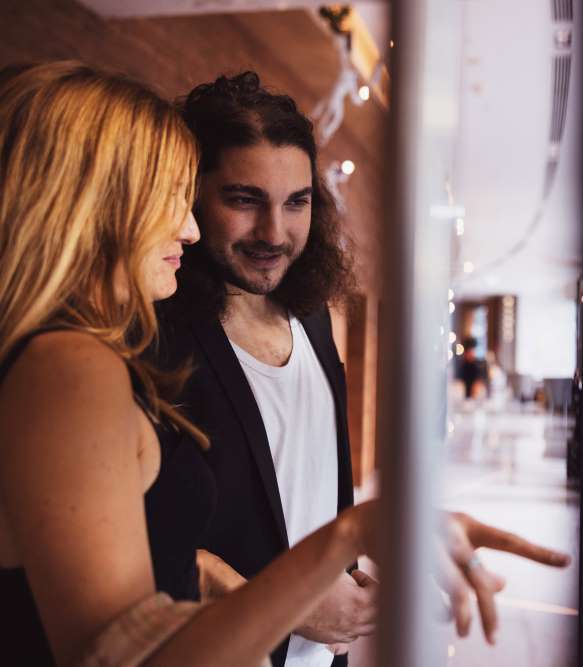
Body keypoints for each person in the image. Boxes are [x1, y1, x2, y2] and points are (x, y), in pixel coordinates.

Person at [0, 61, 570, 666]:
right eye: (169, 197)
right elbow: (122, 653)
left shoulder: (75, 354)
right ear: (94, 203)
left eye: (296, 202)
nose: (187, 228)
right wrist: (344, 541)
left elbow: (140, 568)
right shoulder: (71, 363)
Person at [155, 71, 362, 667]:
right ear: (192, 196)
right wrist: (287, 604)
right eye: (245, 200)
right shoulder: (150, 333)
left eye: (296, 202)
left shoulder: (313, 314)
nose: (275, 234)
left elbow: (315, 484)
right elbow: (126, 538)